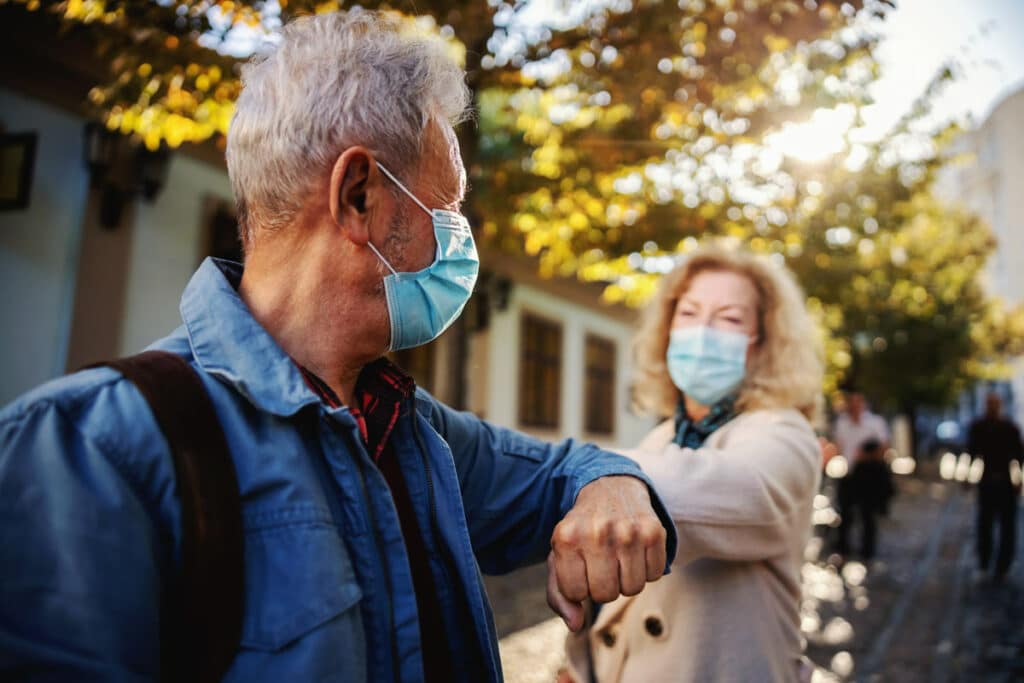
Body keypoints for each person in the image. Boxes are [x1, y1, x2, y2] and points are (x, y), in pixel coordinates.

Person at [0, 11, 676, 682]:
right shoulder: (91, 448)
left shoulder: (412, 429)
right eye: (450, 206)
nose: (462, 237)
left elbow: (560, 472)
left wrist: (614, 486)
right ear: (358, 195)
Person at [562, 246, 824, 683]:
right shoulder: (658, 439)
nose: (703, 331)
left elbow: (735, 489)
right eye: (689, 313)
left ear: (761, 344)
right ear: (667, 330)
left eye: (730, 319)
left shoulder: (784, 433)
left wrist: (571, 469)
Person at [967, 393, 1023, 582]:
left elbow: (1019, 457)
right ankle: (985, 562)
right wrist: (966, 477)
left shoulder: (1010, 428)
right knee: (985, 525)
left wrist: (1019, 479)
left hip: (1005, 482)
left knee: (1007, 527)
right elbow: (972, 453)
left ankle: (1002, 566)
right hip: (987, 481)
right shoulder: (979, 427)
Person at [833, 390, 891, 558]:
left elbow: (884, 447)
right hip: (849, 473)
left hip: (868, 475)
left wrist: (866, 455)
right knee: (845, 512)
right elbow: (839, 446)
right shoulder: (842, 423)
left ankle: (867, 550)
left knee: (868, 515)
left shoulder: (875, 423)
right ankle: (843, 548)